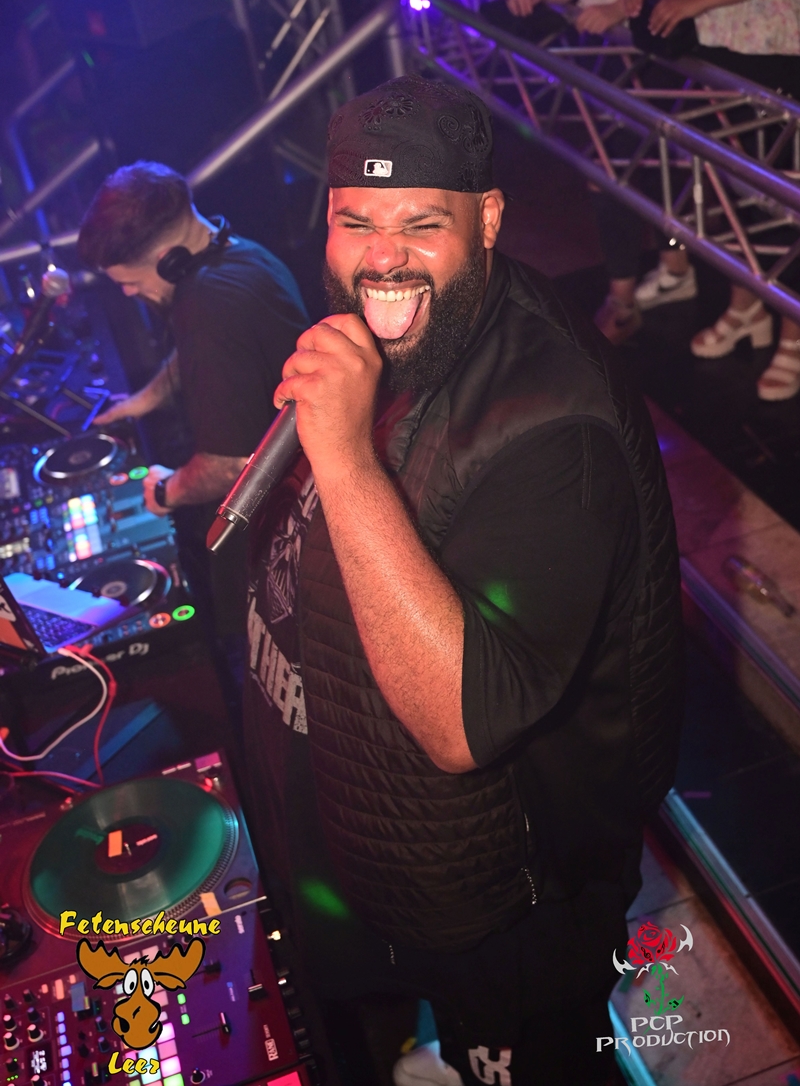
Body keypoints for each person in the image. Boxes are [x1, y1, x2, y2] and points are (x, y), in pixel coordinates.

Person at [243, 76, 685, 1086]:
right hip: (419, 858)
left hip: (517, 893)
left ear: (486, 219)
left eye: (420, 224)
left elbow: (458, 724)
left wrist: (342, 455)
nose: (381, 258)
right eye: (355, 222)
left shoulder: (556, 425)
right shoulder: (399, 332)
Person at [76, 162, 308, 721]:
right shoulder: (233, 253)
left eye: (130, 281)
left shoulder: (206, 307)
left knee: (257, 693)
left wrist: (165, 491)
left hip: (273, 539)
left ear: (165, 259)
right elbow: (195, 355)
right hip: (292, 495)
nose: (128, 292)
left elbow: (229, 465)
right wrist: (145, 399)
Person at [505, 0, 696, 343]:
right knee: (616, 166)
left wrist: (621, 4)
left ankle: (625, 296)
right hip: (601, 42)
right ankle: (673, 267)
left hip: (651, 37)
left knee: (626, 166)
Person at [649, 0, 800, 400]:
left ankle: (793, 330)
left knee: (779, 197)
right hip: (713, 45)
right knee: (728, 188)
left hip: (771, 47)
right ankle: (747, 304)